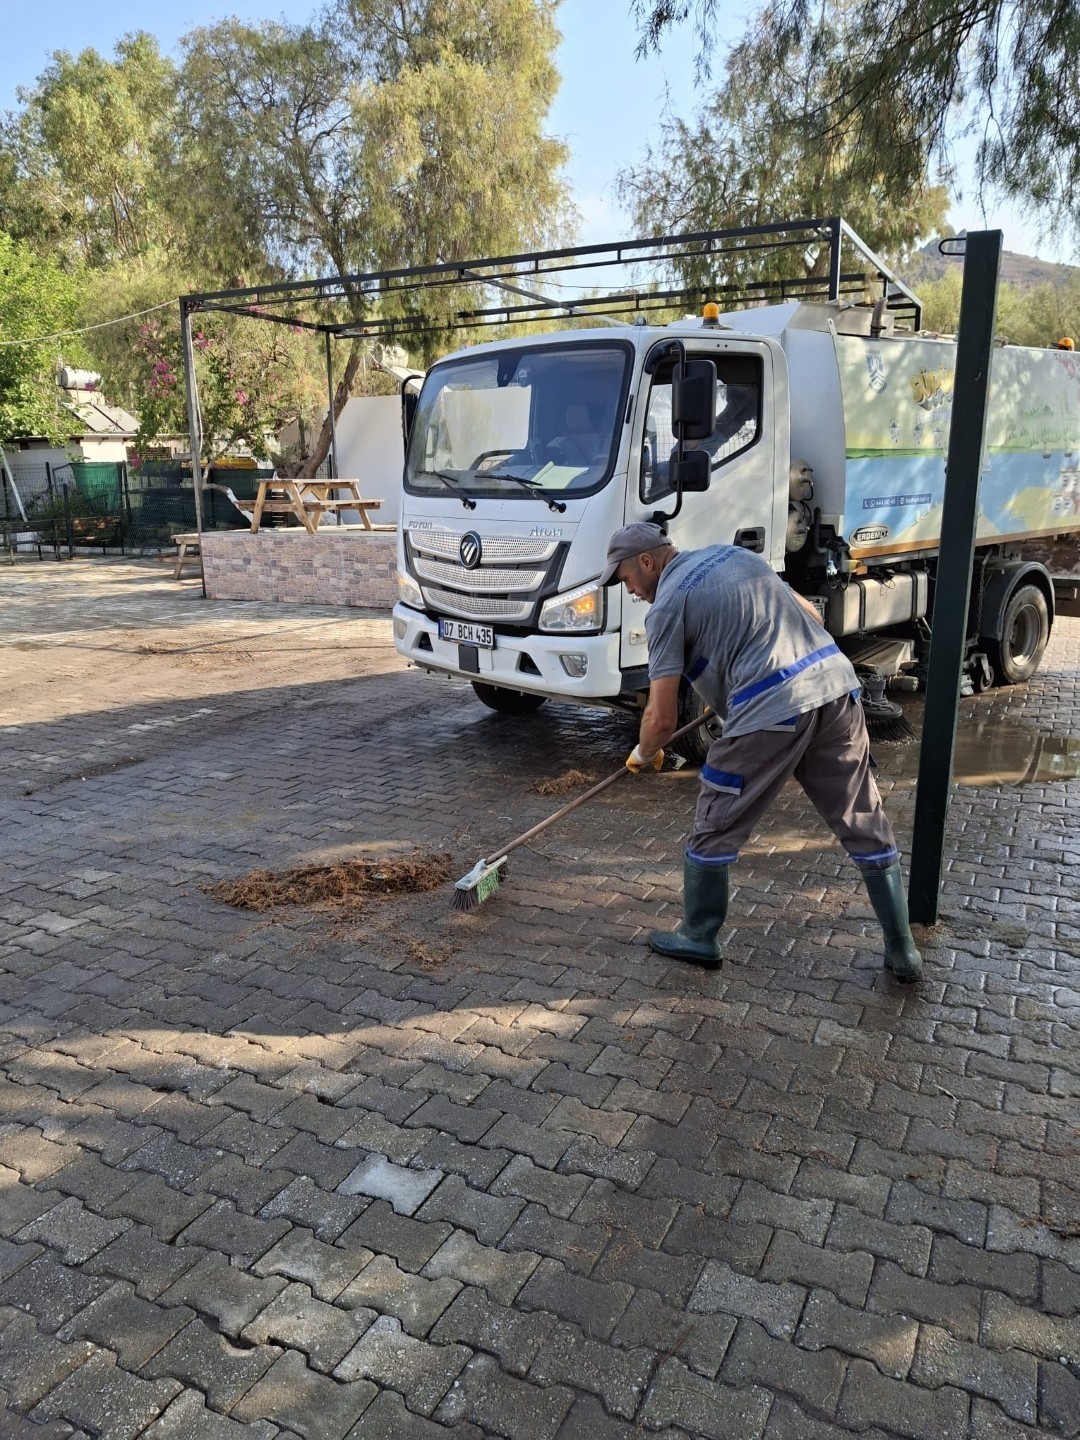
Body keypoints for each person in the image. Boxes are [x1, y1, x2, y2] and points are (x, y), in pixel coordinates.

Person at [600, 521, 921, 982]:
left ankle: (698, 935)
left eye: (625, 578)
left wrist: (645, 752)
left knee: (716, 819)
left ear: (647, 562)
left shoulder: (667, 606)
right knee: (862, 817)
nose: (627, 590)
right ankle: (902, 949)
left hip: (773, 709)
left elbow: (661, 718)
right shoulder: (738, 559)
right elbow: (810, 616)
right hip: (835, 690)